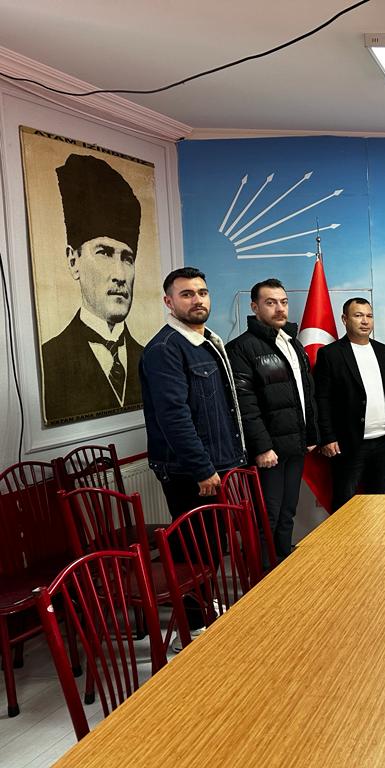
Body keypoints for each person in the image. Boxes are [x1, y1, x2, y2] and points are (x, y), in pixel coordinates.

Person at [140, 266, 246, 646]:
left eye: (202, 292)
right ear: (169, 302)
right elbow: (174, 417)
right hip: (191, 472)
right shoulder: (165, 350)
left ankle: (202, 610)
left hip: (218, 463)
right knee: (194, 550)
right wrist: (202, 468)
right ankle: (191, 630)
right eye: (186, 294)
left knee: (211, 547)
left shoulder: (207, 341)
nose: (197, 299)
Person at [42, 154, 144, 423]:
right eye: (104, 253)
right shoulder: (48, 360)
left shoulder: (150, 358)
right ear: (73, 261)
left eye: (127, 258)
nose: (120, 275)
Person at [226, 279, 317, 563]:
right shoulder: (241, 348)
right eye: (271, 303)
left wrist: (310, 435)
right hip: (269, 453)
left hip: (294, 445)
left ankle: (283, 567)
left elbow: (305, 393)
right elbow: (245, 405)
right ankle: (264, 574)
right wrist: (263, 447)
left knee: (288, 512)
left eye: (283, 302)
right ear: (254, 307)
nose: (279, 308)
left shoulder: (292, 343)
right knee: (267, 517)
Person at [314, 298, 385, 511]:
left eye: (369, 316)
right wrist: (328, 437)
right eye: (358, 315)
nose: (365, 321)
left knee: (380, 501)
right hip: (348, 443)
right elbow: (322, 399)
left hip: (383, 441)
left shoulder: (383, 351)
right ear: (345, 319)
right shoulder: (330, 354)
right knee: (345, 503)